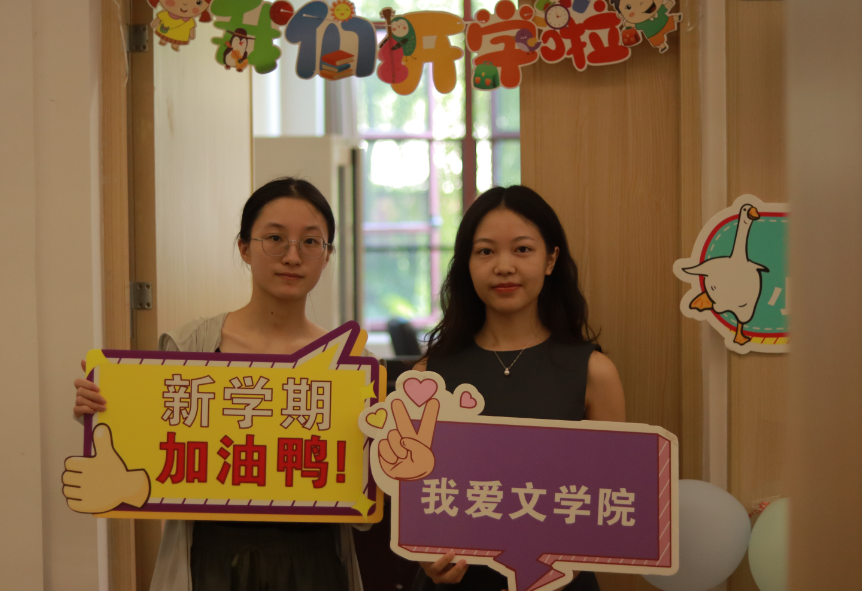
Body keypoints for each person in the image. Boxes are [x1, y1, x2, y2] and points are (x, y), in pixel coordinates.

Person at [73, 178, 363, 591]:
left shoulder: (351, 364)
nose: (292, 256)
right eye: (275, 239)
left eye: (311, 242)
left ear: (327, 254)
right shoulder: (188, 346)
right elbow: (145, 451)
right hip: (207, 560)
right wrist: (102, 411)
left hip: (314, 562)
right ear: (244, 247)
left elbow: (364, 499)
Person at [412, 185, 626, 591]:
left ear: (551, 260)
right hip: (458, 583)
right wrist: (423, 553)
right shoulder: (427, 377)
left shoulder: (595, 373)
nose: (504, 266)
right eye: (486, 251)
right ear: (467, 263)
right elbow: (412, 492)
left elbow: (613, 498)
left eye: (522, 249)